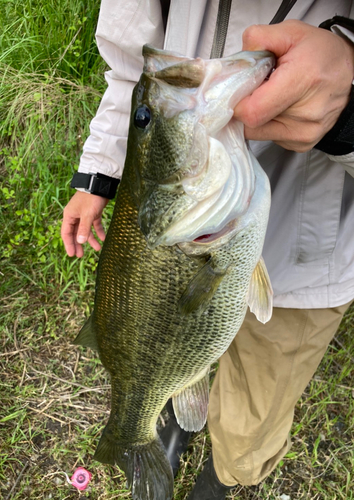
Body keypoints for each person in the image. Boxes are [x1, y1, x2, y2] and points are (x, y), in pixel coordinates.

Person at [61, 1, 354, 498]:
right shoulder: (167, 89)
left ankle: (227, 473)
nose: (169, 84)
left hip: (312, 253)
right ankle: (166, 411)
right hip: (202, 238)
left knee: (257, 402)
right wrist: (99, 170)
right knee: (167, 355)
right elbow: (133, 67)